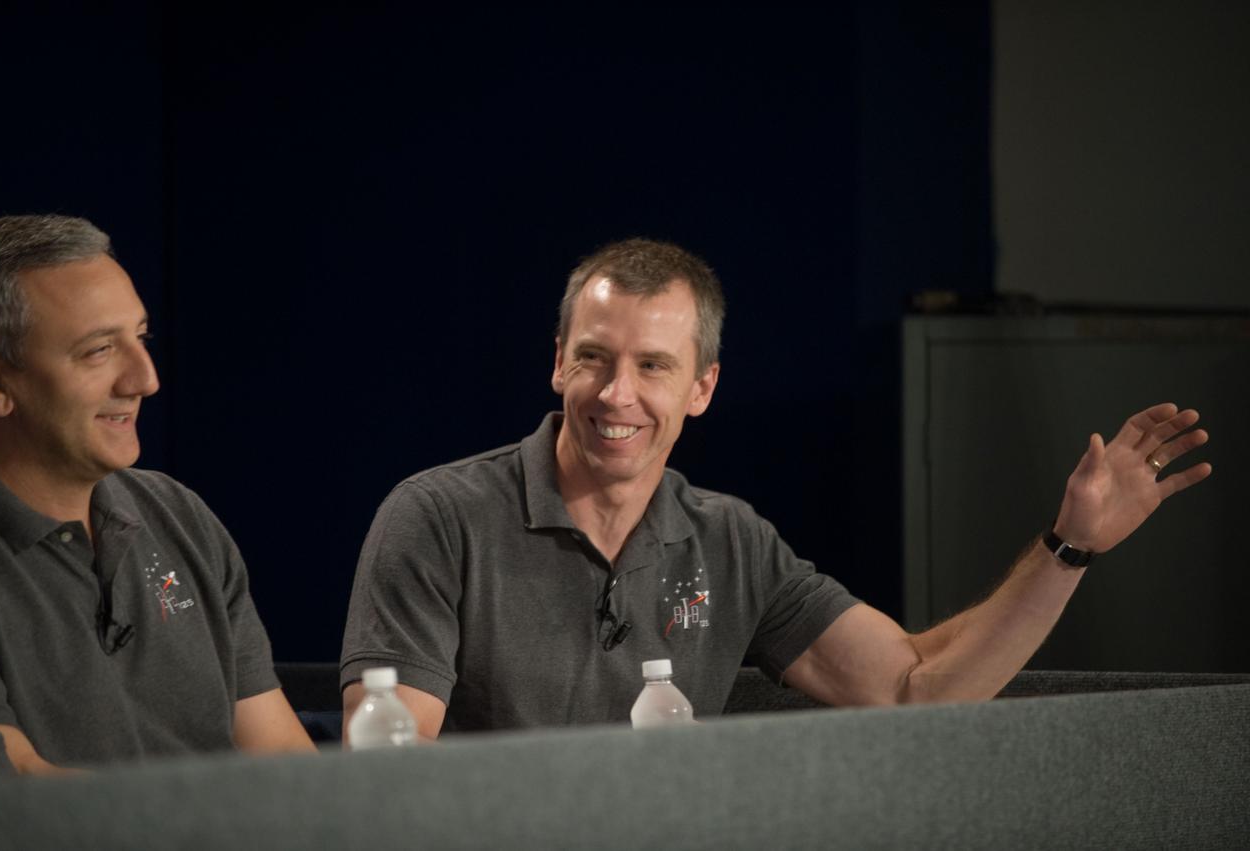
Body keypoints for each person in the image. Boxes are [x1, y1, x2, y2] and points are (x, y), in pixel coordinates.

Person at [340, 238, 1212, 739]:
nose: (617, 394)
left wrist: (1071, 545)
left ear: (702, 388)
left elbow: (917, 686)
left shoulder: (731, 543)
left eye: (654, 366)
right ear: (558, 361)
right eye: (595, 359)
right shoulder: (439, 518)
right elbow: (394, 769)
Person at [0, 214, 314, 773]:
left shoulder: (178, 515)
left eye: (141, 337)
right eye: (99, 351)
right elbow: (16, 796)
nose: (144, 379)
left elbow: (281, 761)